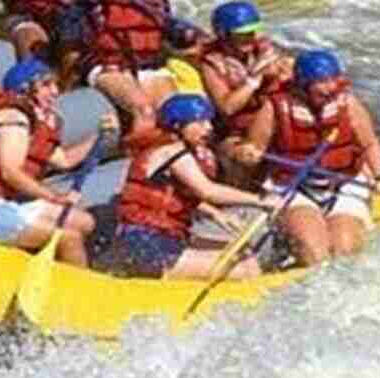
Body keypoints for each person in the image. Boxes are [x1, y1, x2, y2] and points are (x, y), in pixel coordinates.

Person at [0, 57, 117, 267]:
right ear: (26, 89)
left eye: (54, 85)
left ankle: (50, 262)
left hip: (0, 201)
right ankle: (79, 291)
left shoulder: (34, 123)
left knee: (85, 222)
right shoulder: (14, 118)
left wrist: (99, 136)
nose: (55, 91)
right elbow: (11, 173)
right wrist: (54, 197)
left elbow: (65, 160)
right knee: (68, 236)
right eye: (46, 85)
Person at [234, 49, 380, 266]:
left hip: (343, 184)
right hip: (293, 186)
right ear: (303, 85)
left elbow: (369, 143)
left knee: (343, 253)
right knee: (315, 255)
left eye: (332, 80)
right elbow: (251, 149)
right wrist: (248, 154)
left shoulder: (347, 103)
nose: (330, 88)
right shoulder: (275, 107)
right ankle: (287, 246)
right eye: (322, 83)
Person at [107, 94, 280, 280]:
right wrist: (260, 200)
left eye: (208, 122)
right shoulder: (171, 152)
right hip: (148, 246)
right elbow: (207, 191)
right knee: (246, 269)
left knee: (242, 255)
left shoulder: (169, 150)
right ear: (177, 126)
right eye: (200, 123)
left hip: (152, 241)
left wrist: (216, 214)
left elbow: (170, 196)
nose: (209, 128)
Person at [78, 0, 175, 142]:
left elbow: (168, 32)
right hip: (109, 66)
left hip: (148, 65)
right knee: (144, 111)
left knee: (177, 114)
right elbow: (73, 38)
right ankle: (136, 165)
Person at [197, 0, 293, 187]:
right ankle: (238, 192)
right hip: (234, 133)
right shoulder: (212, 64)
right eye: (242, 35)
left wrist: (286, 71)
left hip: (271, 125)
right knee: (247, 155)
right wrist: (254, 80)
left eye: (252, 32)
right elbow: (227, 107)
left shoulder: (264, 50)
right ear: (224, 35)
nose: (250, 38)